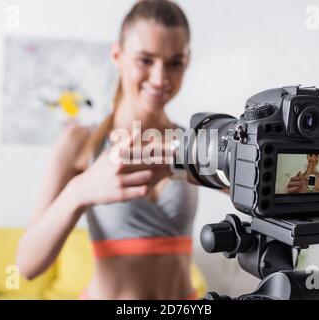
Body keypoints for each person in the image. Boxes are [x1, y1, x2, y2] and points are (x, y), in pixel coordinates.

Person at [16, 0, 204, 300]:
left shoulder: (194, 143)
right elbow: (26, 265)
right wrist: (79, 191)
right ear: (118, 54)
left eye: (175, 62)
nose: (160, 78)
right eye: (145, 60)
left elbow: (266, 188)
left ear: (188, 61)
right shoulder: (80, 142)